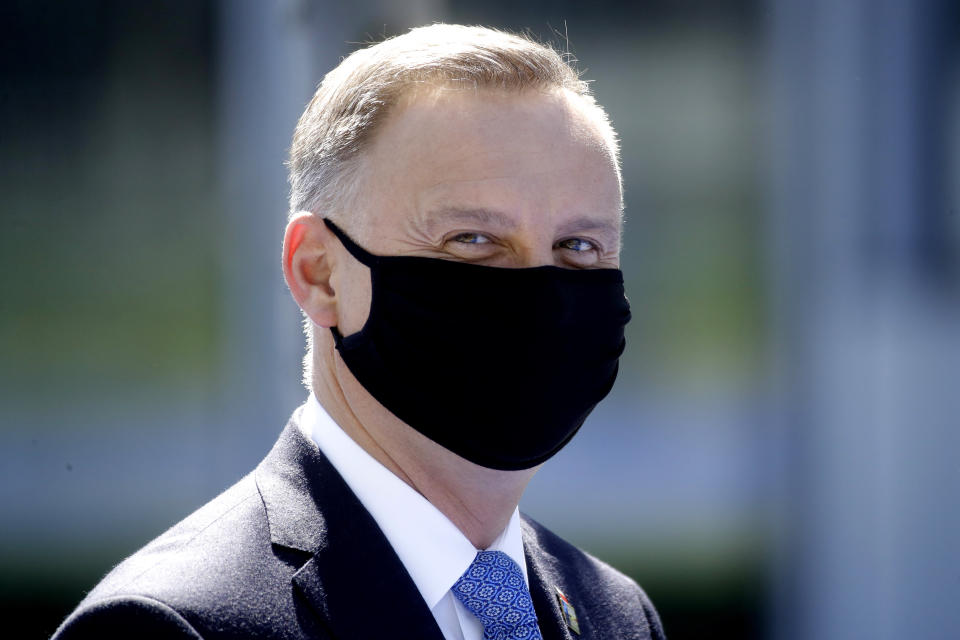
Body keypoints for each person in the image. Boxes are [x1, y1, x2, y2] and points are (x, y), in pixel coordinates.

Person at [52, 24, 665, 640]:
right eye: (472, 239)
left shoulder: (615, 615)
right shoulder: (169, 627)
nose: (538, 294)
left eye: (578, 246)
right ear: (319, 273)